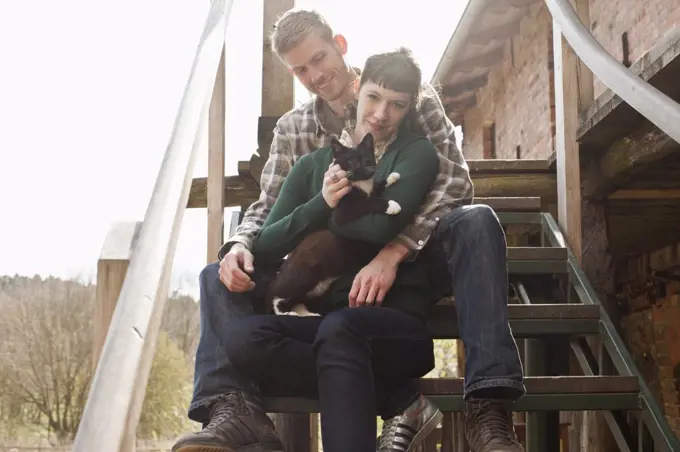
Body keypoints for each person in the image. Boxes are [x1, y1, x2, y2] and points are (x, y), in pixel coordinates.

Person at [173, 8, 525, 452]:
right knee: (216, 277)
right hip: (333, 276)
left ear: (340, 44)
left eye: (319, 58)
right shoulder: (294, 130)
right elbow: (267, 207)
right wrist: (241, 243)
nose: (315, 76)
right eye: (300, 70)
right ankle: (233, 408)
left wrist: (395, 250)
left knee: (476, 220)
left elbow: (455, 182)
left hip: (416, 256)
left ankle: (488, 404)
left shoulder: (410, 97)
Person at [221, 47, 443, 452]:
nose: (380, 114)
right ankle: (399, 400)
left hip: (387, 321)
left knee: (341, 331)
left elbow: (379, 227)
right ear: (357, 94)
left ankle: (391, 400)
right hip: (323, 320)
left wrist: (340, 216)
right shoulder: (310, 166)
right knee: (243, 340)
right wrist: (322, 203)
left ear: (409, 108)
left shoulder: (412, 153)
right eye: (374, 99)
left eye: (397, 105)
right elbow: (268, 243)